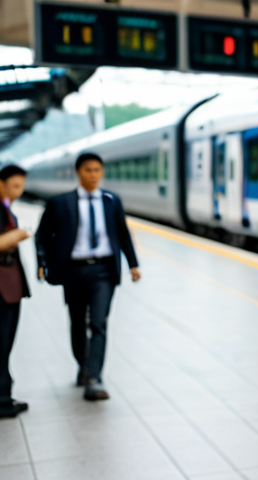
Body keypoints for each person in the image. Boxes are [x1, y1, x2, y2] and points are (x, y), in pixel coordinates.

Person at [35, 153, 140, 401]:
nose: (93, 175)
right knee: (77, 322)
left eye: (97, 170)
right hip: (74, 270)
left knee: (99, 323)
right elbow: (43, 235)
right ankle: (84, 366)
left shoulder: (112, 200)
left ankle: (95, 377)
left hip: (104, 270)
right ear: (78, 172)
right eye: (88, 170)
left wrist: (133, 264)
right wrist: (42, 263)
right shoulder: (60, 203)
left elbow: (122, 234)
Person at [0, 165, 30, 418]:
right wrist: (16, 235)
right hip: (2, 288)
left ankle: (5, 394)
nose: (19, 192)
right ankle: (1, 399)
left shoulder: (6, 207)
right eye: (15, 186)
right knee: (1, 343)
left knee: (6, 343)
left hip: (10, 287)